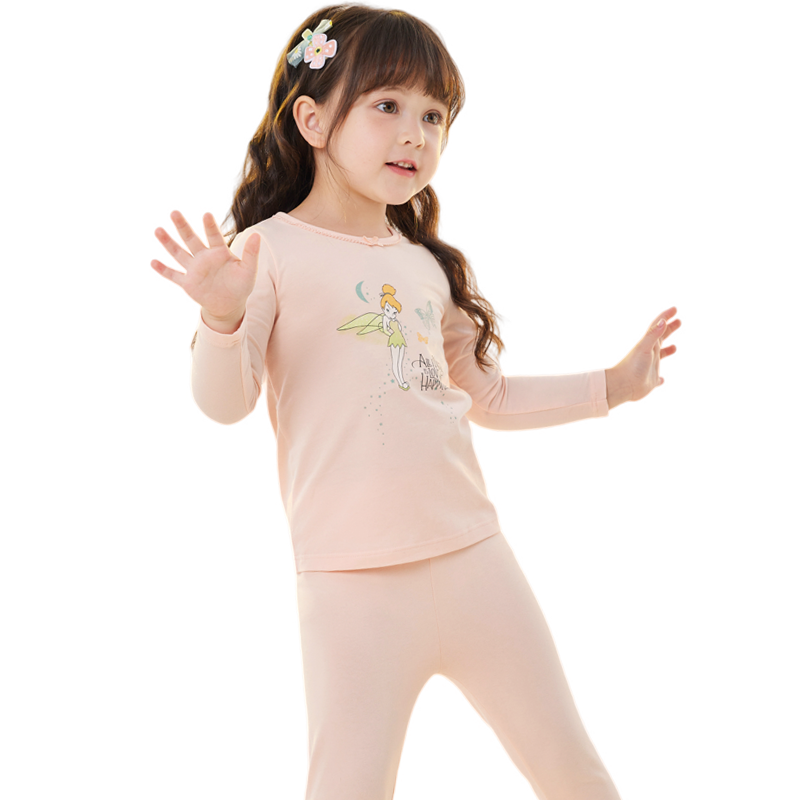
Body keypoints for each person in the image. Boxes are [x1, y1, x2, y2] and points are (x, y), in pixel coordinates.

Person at [148, 3, 682, 798]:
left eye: (434, 116)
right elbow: (224, 406)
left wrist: (615, 385)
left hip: (477, 559)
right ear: (312, 120)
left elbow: (487, 395)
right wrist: (222, 319)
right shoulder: (266, 251)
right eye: (388, 105)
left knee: (577, 776)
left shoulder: (432, 267)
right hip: (351, 584)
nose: (416, 135)